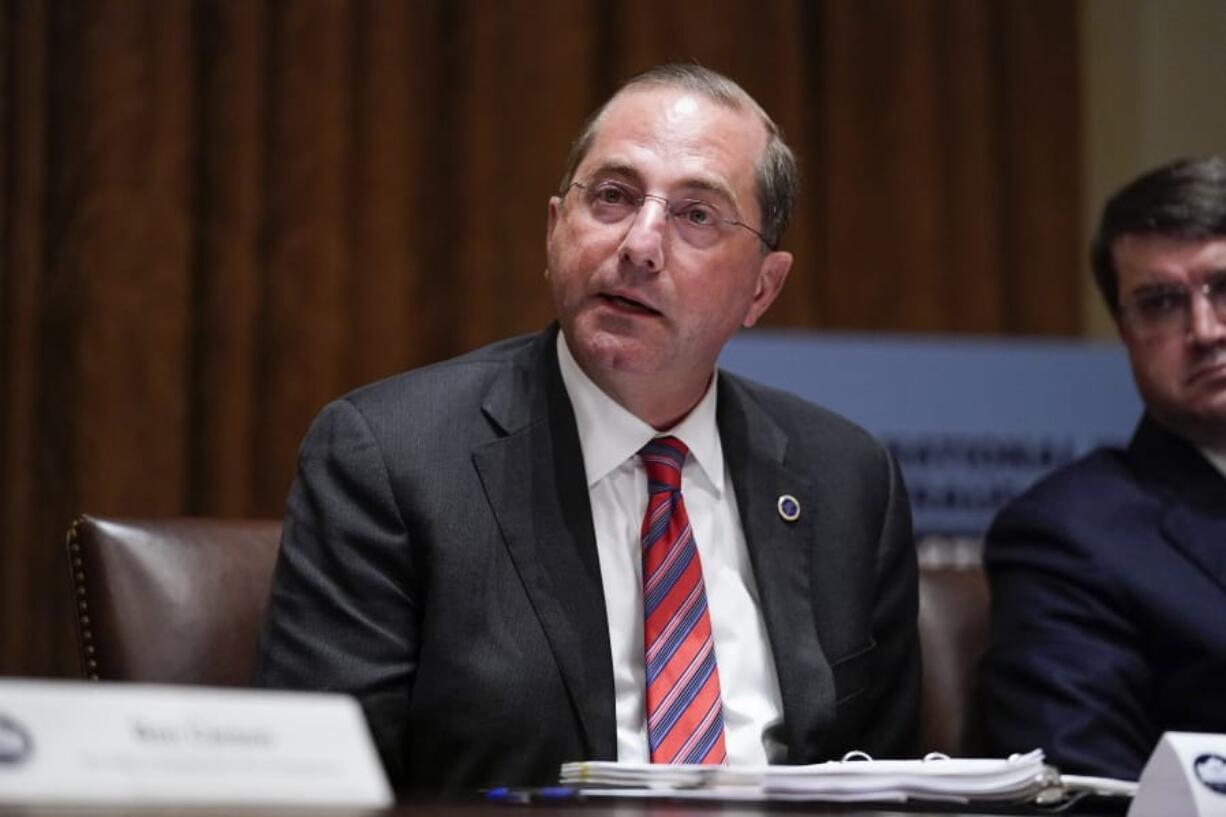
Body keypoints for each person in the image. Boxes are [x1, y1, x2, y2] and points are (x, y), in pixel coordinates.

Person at [254, 63, 919, 795]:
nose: (640, 244)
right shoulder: (389, 458)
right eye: (612, 196)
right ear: (553, 230)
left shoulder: (847, 480)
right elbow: (315, 790)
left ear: (762, 287)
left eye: (697, 214)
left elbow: (888, 786)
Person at [981, 156, 1226, 780]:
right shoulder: (1068, 538)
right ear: (1124, 330)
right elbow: (1086, 791)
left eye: (1224, 287)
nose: (1204, 329)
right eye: (1161, 303)